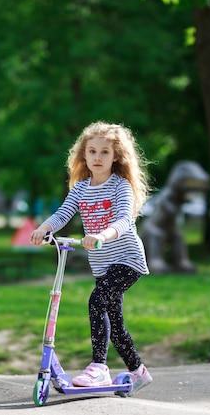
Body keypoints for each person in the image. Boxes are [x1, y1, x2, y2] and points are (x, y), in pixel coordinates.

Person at [29, 121, 153, 395]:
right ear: (83, 156)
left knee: (97, 300)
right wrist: (43, 229)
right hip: (102, 264)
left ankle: (99, 367)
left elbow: (123, 218)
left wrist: (102, 235)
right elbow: (63, 214)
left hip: (126, 259)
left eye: (105, 152)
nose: (97, 157)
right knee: (116, 324)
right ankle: (138, 371)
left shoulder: (120, 187)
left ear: (116, 156)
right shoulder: (81, 189)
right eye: (92, 151)